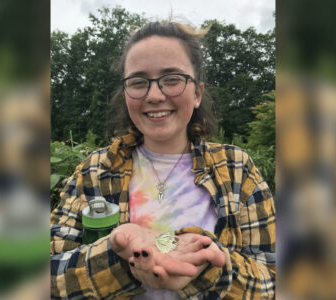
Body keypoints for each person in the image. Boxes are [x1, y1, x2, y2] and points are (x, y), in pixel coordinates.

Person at [51, 21, 275, 299]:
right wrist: (117, 257)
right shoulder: (95, 171)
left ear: (197, 93)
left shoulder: (236, 169)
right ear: (126, 95)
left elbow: (271, 279)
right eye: (138, 82)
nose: (154, 95)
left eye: (172, 79)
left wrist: (207, 267)